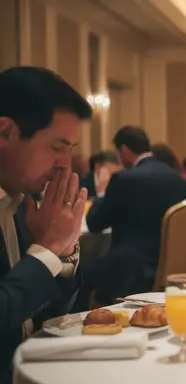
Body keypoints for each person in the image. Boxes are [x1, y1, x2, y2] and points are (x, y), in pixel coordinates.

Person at [0, 66, 92, 382]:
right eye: (56, 147)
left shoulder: (21, 203)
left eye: (71, 149)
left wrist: (61, 257)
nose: (66, 164)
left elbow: (46, 317)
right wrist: (46, 251)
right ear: (5, 132)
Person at [85, 126, 186, 303]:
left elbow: (94, 224)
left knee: (83, 270)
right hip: (172, 269)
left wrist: (102, 191)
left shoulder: (124, 179)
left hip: (130, 272)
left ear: (124, 150)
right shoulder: (177, 179)